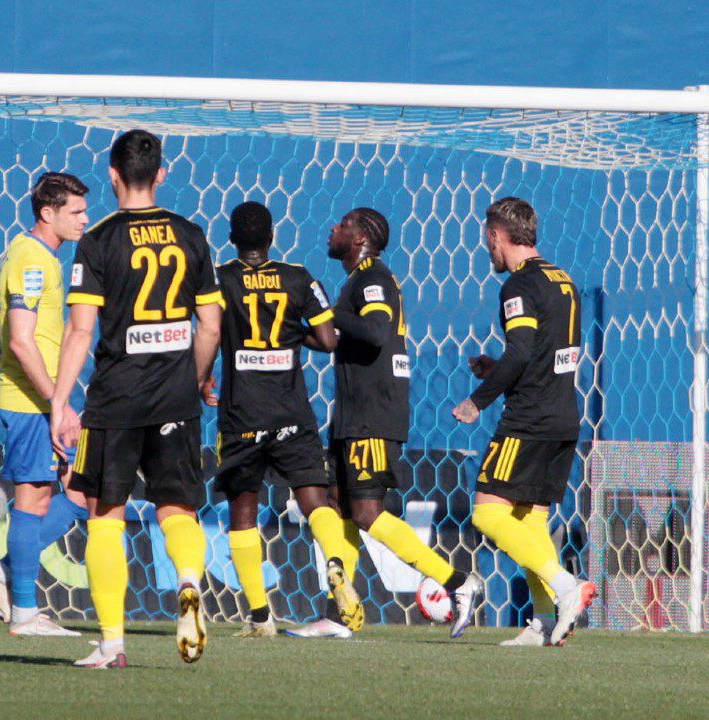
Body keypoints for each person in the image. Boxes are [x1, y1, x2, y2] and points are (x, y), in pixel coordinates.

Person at [50, 129, 222, 669]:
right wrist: (195, 380)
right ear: (162, 174)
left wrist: (59, 401)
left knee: (105, 515)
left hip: (116, 398)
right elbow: (211, 325)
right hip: (175, 397)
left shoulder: (98, 240)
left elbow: (80, 331)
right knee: (178, 509)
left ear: (112, 175)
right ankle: (189, 582)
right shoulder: (191, 235)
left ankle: (112, 644)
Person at [291, 207, 482, 640]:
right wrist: (294, 331)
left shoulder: (372, 278)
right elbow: (339, 339)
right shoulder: (357, 281)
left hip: (372, 415)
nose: (333, 228)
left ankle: (456, 582)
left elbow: (375, 331)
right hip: (353, 414)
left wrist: (325, 310)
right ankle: (339, 615)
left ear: (360, 238)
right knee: (339, 508)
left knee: (366, 513)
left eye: (343, 225)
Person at [200, 201, 366, 639]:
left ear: (232, 239)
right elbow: (328, 340)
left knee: (243, 512)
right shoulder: (298, 277)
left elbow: (210, 331)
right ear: (272, 237)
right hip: (292, 411)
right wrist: (293, 333)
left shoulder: (220, 278)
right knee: (315, 501)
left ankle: (260, 617)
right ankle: (335, 563)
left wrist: (202, 377)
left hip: (242, 413)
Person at [452, 196, 595, 647]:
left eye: (487, 240)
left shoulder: (518, 285)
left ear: (497, 235)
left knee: (488, 512)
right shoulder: (563, 280)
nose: (487, 250)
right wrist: (498, 369)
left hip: (528, 419)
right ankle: (544, 621)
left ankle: (565, 585)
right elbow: (541, 355)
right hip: (563, 416)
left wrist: (478, 400)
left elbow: (520, 351)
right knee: (530, 519)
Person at [0, 172, 91, 636]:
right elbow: (22, 341)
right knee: (34, 497)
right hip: (31, 401)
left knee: (79, 492)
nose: (84, 219)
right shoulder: (30, 259)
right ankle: (23, 611)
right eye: (75, 211)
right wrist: (56, 401)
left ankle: (3, 573)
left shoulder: (44, 257)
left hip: (45, 400)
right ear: (48, 212)